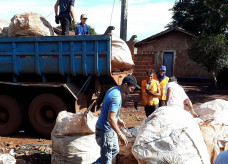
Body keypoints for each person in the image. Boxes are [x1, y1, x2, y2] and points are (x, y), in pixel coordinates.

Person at [94, 75, 140, 164]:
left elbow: (109, 111)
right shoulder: (116, 97)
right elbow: (110, 119)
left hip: (108, 129)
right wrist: (120, 134)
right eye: (131, 88)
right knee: (107, 160)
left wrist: (118, 119)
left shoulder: (114, 89)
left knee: (115, 150)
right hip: (105, 131)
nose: (132, 91)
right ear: (125, 85)